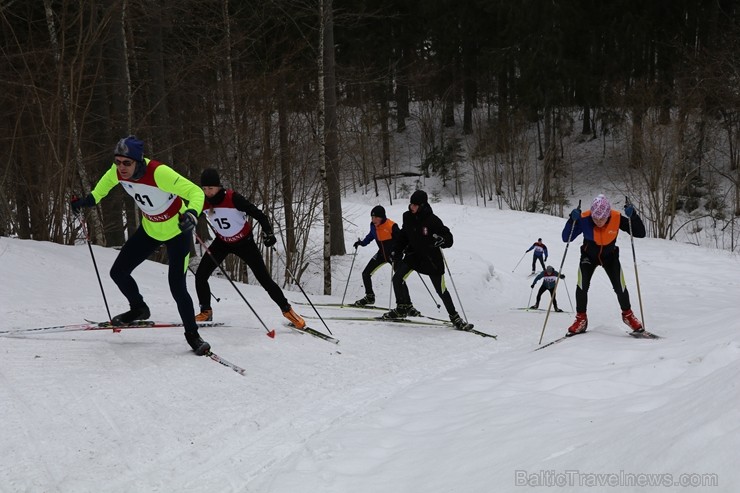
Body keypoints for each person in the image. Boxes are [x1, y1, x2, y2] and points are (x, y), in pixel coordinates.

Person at [70, 136, 210, 355]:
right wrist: (82, 203)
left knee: (177, 286)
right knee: (118, 272)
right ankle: (139, 308)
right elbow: (99, 193)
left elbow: (196, 192)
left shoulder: (158, 173)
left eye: (126, 163)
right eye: (117, 161)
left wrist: (192, 213)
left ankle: (193, 335)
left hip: (177, 232)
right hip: (151, 229)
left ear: (138, 161)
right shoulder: (117, 173)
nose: (121, 167)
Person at [194, 168, 306, 329]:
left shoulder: (233, 198)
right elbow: (190, 213)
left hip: (244, 243)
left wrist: (268, 232)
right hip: (222, 243)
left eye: (210, 188)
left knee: (265, 280)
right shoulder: (202, 201)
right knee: (201, 275)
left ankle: (288, 311)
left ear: (218, 186)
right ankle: (206, 312)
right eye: (204, 189)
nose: (207, 192)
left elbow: (259, 215)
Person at [383, 190, 473, 331]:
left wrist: (443, 240)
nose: (411, 207)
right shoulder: (407, 217)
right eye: (411, 204)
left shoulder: (432, 220)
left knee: (441, 290)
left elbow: (448, 236)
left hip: (431, 259)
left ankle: (455, 317)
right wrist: (396, 250)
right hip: (414, 256)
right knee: (397, 279)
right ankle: (402, 308)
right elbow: (403, 236)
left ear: (422, 205)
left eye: (415, 205)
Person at [562, 194, 646, 335]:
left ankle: (628, 316)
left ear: (608, 214)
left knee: (620, 286)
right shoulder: (584, 219)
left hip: (610, 256)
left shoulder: (616, 217)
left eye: (602, 218)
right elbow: (566, 238)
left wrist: (634, 217)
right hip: (589, 256)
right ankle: (581, 319)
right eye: (595, 218)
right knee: (582, 286)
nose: (599, 221)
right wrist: (572, 220)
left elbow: (640, 233)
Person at [350, 205, 400, 306]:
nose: (374, 220)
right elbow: (371, 236)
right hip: (381, 254)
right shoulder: (373, 226)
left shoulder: (391, 226)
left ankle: (404, 304)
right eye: (372, 217)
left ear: (382, 217)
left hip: (394, 255)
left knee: (399, 279)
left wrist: (398, 252)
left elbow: (401, 240)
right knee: (366, 274)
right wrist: (362, 243)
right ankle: (370, 297)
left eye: (376, 217)